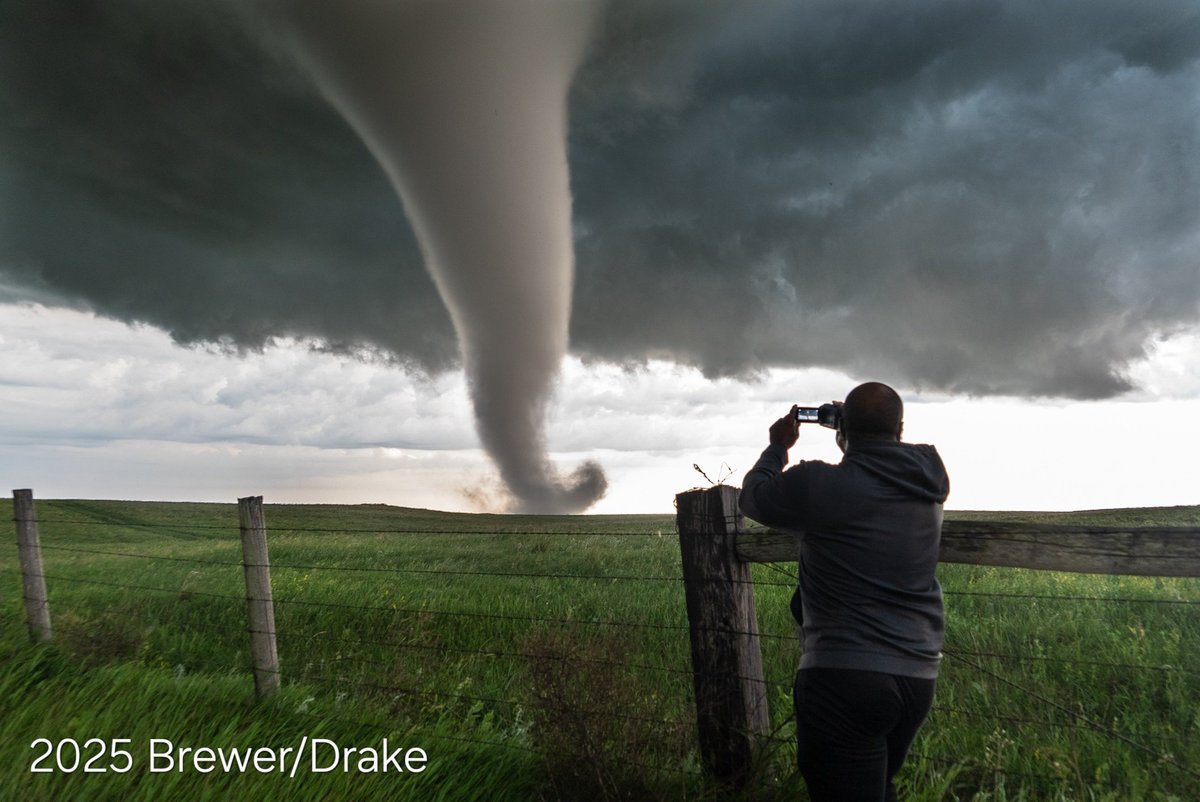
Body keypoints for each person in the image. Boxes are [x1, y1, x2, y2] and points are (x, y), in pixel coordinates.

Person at [739, 382, 949, 802]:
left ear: (841, 428)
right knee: (877, 789)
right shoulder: (927, 478)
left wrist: (777, 448)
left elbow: (754, 497)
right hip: (917, 673)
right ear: (901, 428)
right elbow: (874, 474)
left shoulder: (818, 485)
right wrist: (855, 438)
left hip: (843, 676)